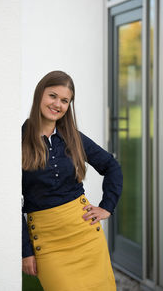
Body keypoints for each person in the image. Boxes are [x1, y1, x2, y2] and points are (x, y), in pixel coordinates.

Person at [22, 70, 123, 291]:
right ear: (39, 94)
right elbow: (10, 201)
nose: (57, 104)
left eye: (65, 100)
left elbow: (112, 166)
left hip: (85, 233)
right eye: (52, 96)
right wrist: (25, 250)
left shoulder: (73, 137)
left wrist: (107, 207)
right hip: (47, 241)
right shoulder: (19, 138)